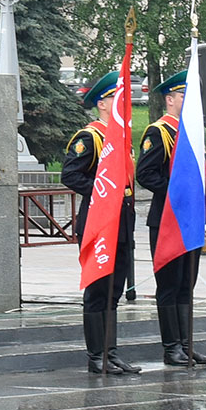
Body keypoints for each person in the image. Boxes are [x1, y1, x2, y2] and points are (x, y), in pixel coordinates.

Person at [61, 71, 140, 375]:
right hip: (99, 222)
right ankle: (96, 355)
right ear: (103, 104)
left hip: (121, 223)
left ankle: (111, 352)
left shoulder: (120, 137)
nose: (124, 103)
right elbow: (71, 175)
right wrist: (104, 192)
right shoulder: (91, 137)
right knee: (97, 290)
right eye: (117, 98)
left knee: (114, 291)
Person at [137, 71, 206, 367]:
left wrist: (205, 215)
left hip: (191, 220)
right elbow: (146, 174)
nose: (189, 101)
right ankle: (171, 348)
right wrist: (176, 194)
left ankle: (186, 344)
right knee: (169, 285)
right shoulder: (159, 132)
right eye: (184, 96)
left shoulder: (191, 132)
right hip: (167, 220)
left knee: (186, 284)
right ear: (170, 100)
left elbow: (203, 180)